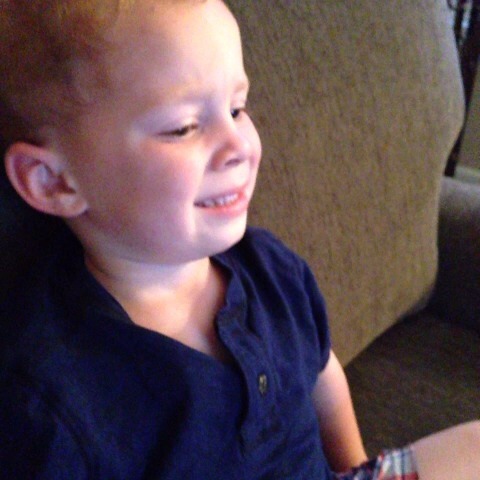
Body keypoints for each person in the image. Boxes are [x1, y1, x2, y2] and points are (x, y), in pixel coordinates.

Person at [0, 1, 478, 478]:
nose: (239, 146)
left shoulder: (271, 268)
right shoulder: (48, 396)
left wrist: (356, 466)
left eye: (236, 108)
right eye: (182, 127)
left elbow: (321, 374)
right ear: (54, 181)